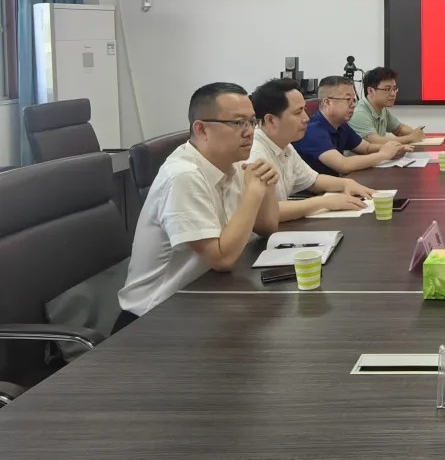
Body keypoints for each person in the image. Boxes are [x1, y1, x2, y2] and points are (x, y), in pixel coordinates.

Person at [115, 83, 280, 330]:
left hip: (202, 297)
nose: (249, 132)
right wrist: (254, 193)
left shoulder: (232, 164)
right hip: (153, 318)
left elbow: (267, 227)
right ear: (201, 129)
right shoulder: (183, 176)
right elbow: (223, 259)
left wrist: (266, 185)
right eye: (238, 123)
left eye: (251, 122)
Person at [249, 78, 375, 222]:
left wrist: (347, 184)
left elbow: (313, 180)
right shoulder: (255, 154)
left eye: (305, 110)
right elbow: (264, 213)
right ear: (271, 120)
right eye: (298, 112)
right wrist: (324, 202)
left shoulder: (285, 145)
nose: (306, 118)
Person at [295, 76, 405, 176]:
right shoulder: (312, 131)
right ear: (327, 102)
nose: (353, 105)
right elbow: (343, 165)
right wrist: (383, 155)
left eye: (354, 100)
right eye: (348, 99)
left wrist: (394, 148)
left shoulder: (341, 125)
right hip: (315, 190)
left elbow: (366, 148)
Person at [349, 66, 427, 145]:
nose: (393, 94)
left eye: (394, 89)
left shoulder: (383, 110)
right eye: (387, 89)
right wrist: (411, 137)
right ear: (370, 91)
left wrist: (416, 133)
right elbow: (375, 142)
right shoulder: (359, 113)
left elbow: (399, 129)